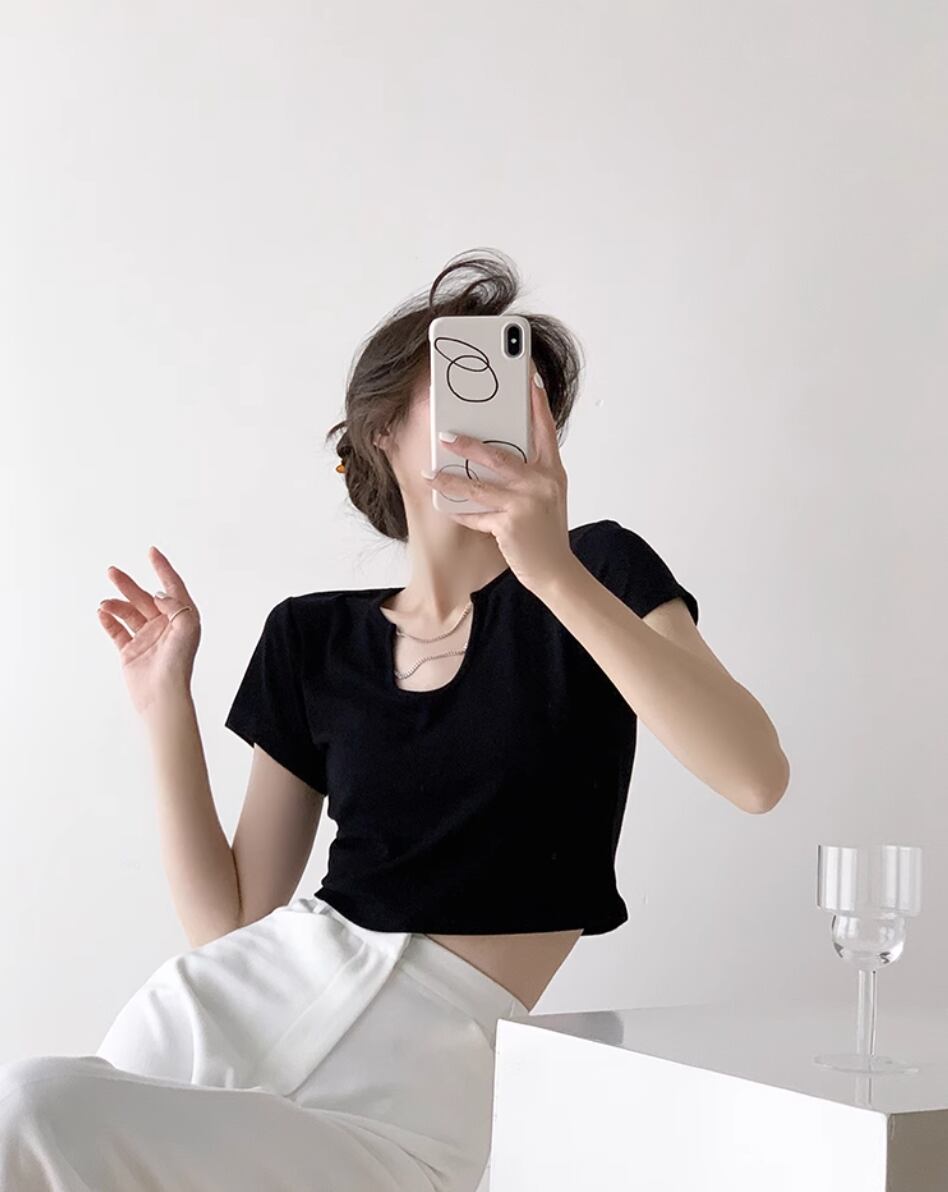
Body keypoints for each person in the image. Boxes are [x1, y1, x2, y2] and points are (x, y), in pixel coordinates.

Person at [0, 249, 789, 1190]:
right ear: (383, 431)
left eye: (520, 387)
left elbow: (755, 775)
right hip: (223, 1015)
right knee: (28, 1111)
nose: (498, 404)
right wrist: (162, 703)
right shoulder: (310, 635)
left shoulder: (597, 574)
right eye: (463, 376)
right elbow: (232, 922)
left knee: (34, 1107)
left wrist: (549, 570)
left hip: (415, 1096)